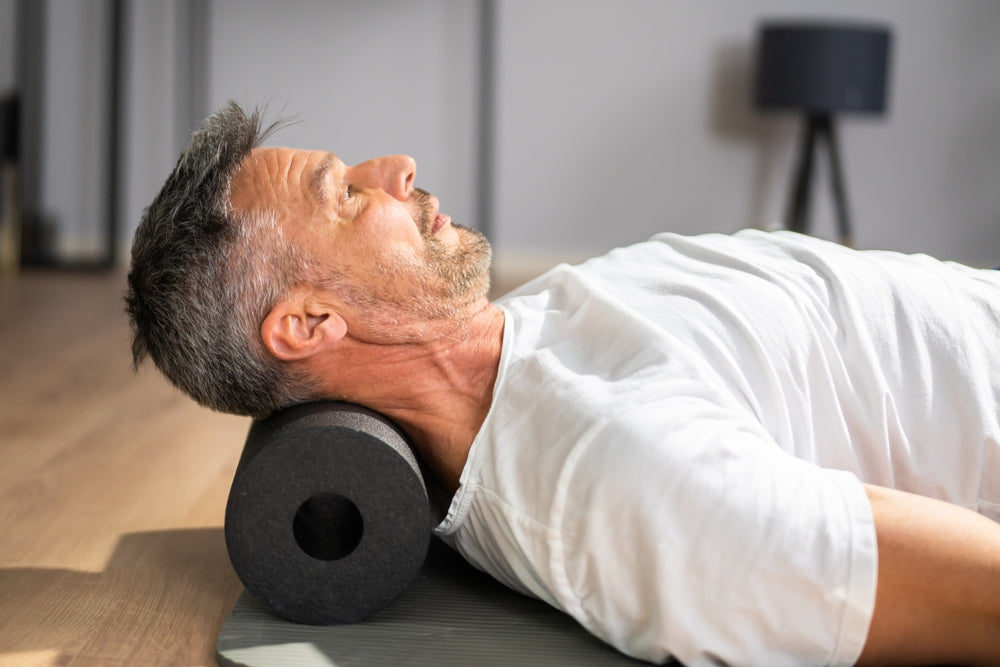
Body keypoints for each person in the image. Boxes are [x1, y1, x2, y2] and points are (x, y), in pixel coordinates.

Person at [126, 101, 1000, 666]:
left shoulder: (530, 326)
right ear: (311, 323)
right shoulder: (620, 475)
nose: (395, 166)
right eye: (347, 196)